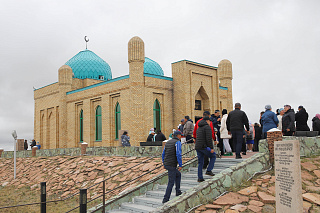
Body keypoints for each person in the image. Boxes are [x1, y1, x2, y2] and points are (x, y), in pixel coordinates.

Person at [162, 131, 183, 203]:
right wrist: (180, 164)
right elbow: (178, 154)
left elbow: (163, 154)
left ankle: (178, 191)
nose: (181, 137)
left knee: (178, 174)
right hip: (172, 164)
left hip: (167, 164)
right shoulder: (177, 142)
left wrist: (164, 163)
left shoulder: (168, 142)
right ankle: (165, 199)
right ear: (178, 135)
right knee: (171, 182)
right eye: (180, 135)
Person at [195, 116, 216, 182]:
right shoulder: (207, 127)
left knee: (200, 162)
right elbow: (209, 139)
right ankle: (209, 170)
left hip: (198, 147)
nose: (210, 123)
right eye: (210, 121)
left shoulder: (199, 128)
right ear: (207, 121)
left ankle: (200, 177)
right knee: (213, 156)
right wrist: (211, 148)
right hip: (204, 147)